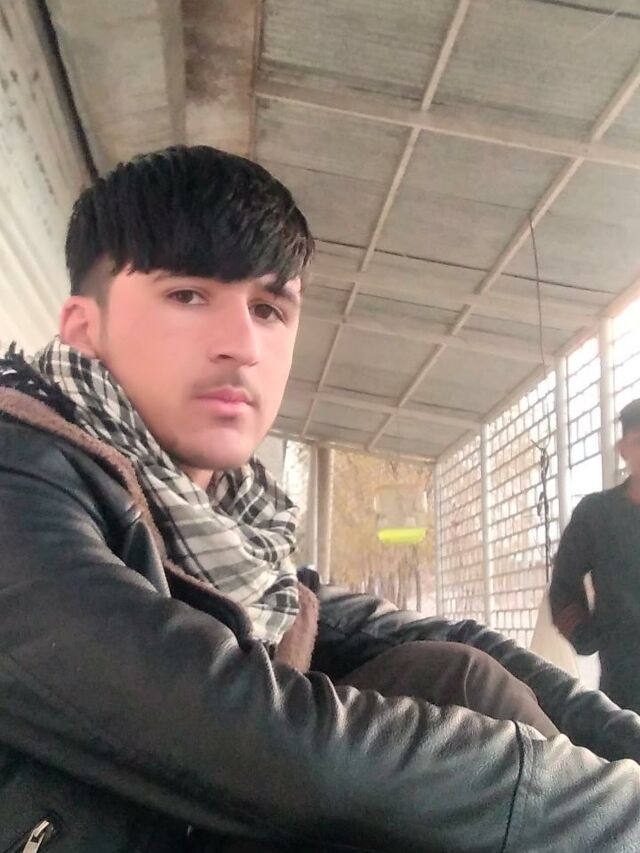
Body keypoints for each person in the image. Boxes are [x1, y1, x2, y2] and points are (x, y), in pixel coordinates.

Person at [0, 147, 640, 853]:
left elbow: (433, 641)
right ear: (83, 326)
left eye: (268, 309)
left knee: (454, 674)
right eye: (187, 295)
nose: (242, 344)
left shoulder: (235, 533)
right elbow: (246, 730)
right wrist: (603, 810)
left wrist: (624, 745)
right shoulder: (17, 472)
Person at [551, 398, 640, 714]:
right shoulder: (597, 514)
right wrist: (583, 634)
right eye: (639, 441)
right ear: (623, 449)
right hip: (624, 686)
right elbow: (563, 582)